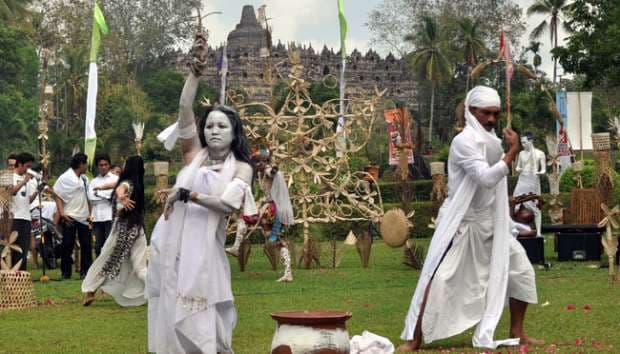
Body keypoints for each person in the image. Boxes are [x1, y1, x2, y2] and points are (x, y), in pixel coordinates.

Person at [398, 86, 540, 351]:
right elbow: (486, 178)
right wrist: (511, 153)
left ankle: (518, 331)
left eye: (495, 114)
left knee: (522, 272)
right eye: (486, 113)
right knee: (439, 280)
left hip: (493, 224)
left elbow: (496, 188)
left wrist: (509, 223)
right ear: (471, 111)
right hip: (465, 224)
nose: (491, 120)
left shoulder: (493, 142)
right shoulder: (463, 142)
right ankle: (414, 338)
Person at [147, 31, 255, 353]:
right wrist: (194, 73)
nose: (214, 131)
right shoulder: (194, 156)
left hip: (208, 250)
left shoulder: (241, 168)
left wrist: (186, 195)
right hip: (174, 245)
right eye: (209, 126)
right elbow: (184, 107)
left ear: (234, 132)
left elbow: (225, 205)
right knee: (171, 305)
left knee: (211, 313)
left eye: (222, 126)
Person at [82, 155, 147, 307]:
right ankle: (161, 291)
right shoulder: (138, 185)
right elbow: (116, 185)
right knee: (140, 266)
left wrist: (121, 197)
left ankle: (91, 290)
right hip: (137, 228)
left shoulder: (126, 183)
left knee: (108, 259)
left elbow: (119, 188)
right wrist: (102, 188)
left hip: (124, 230)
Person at [227, 148, 295, 282]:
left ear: (263, 162)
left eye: (258, 162)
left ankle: (236, 247)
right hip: (271, 209)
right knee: (277, 242)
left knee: (245, 218)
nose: (256, 166)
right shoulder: (262, 173)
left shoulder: (268, 171)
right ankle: (288, 273)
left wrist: (274, 167)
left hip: (271, 210)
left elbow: (272, 172)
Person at [53, 153, 92, 280]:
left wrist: (90, 214)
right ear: (81, 164)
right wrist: (62, 212)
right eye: (86, 163)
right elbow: (57, 194)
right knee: (67, 245)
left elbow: (89, 197)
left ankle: (85, 271)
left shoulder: (85, 179)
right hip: (70, 216)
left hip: (84, 216)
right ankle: (65, 272)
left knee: (86, 245)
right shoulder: (65, 177)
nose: (87, 166)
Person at [514, 133, 546, 236]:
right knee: (515, 203)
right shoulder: (521, 154)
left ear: (530, 141)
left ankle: (539, 232)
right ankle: (515, 230)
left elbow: (544, 169)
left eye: (524, 142)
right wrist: (519, 169)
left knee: (535, 206)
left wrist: (539, 172)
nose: (523, 144)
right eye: (522, 142)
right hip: (522, 180)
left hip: (533, 181)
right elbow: (517, 167)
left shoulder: (540, 153)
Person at [9, 153, 37, 270]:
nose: (28, 169)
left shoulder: (28, 180)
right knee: (12, 247)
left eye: (30, 167)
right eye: (27, 166)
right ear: (19, 164)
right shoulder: (9, 176)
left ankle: (21, 273)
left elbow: (28, 200)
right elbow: (11, 192)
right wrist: (24, 181)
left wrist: (37, 192)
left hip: (26, 217)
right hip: (13, 217)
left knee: (23, 248)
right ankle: (9, 273)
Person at [88, 154, 119, 257]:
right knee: (98, 245)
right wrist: (106, 195)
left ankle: (110, 268)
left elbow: (114, 196)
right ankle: (98, 268)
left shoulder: (116, 179)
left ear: (109, 165)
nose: (103, 167)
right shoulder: (93, 181)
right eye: (101, 165)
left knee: (110, 244)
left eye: (106, 164)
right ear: (97, 166)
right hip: (97, 217)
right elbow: (91, 198)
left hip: (110, 216)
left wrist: (99, 193)